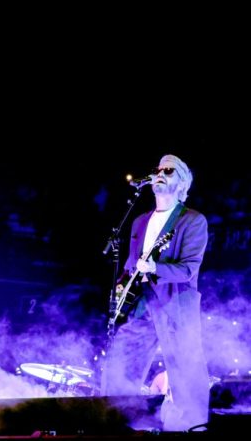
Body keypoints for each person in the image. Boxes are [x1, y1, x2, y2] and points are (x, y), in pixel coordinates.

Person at [102, 155, 210, 431]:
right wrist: (121, 286)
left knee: (185, 368)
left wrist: (155, 267)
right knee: (123, 361)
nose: (160, 173)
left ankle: (194, 426)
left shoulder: (192, 221)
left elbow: (188, 270)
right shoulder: (140, 221)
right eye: (158, 169)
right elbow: (131, 262)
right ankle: (117, 420)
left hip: (175, 302)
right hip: (141, 302)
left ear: (182, 182)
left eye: (169, 170)